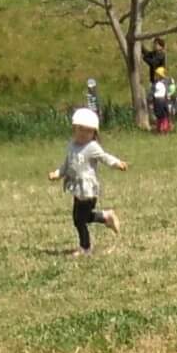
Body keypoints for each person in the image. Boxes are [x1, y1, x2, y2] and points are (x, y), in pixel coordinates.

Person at [50, 108, 128, 256]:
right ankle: (106, 217)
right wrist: (57, 173)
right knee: (79, 219)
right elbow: (67, 164)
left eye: (87, 131)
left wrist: (117, 163)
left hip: (88, 190)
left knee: (80, 219)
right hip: (77, 189)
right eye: (80, 130)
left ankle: (86, 247)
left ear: (94, 133)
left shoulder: (92, 147)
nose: (83, 134)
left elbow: (105, 157)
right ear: (74, 129)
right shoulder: (72, 145)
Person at [152, 68, 172, 134]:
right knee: (163, 115)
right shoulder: (163, 83)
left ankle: (161, 129)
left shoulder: (156, 83)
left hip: (158, 100)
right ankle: (163, 129)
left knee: (161, 116)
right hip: (161, 100)